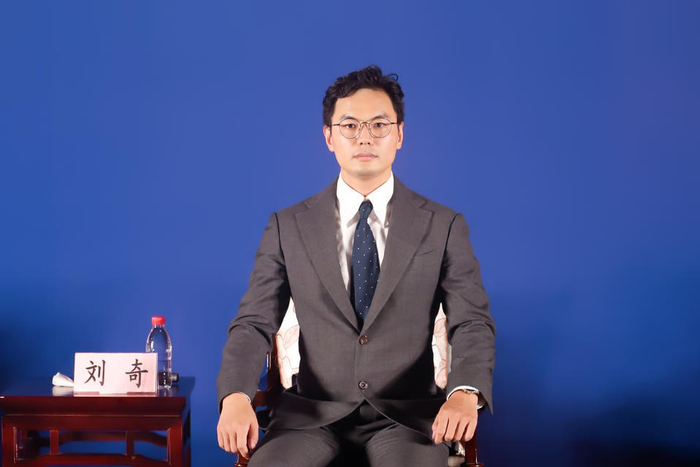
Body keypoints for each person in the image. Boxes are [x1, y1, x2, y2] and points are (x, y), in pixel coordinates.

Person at [217, 65, 496, 466]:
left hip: (407, 420)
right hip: (310, 416)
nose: (365, 137)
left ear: (400, 134)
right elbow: (253, 322)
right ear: (329, 137)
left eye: (379, 125)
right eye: (349, 125)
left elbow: (472, 322)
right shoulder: (287, 226)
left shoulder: (443, 225)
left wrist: (464, 392)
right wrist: (236, 396)